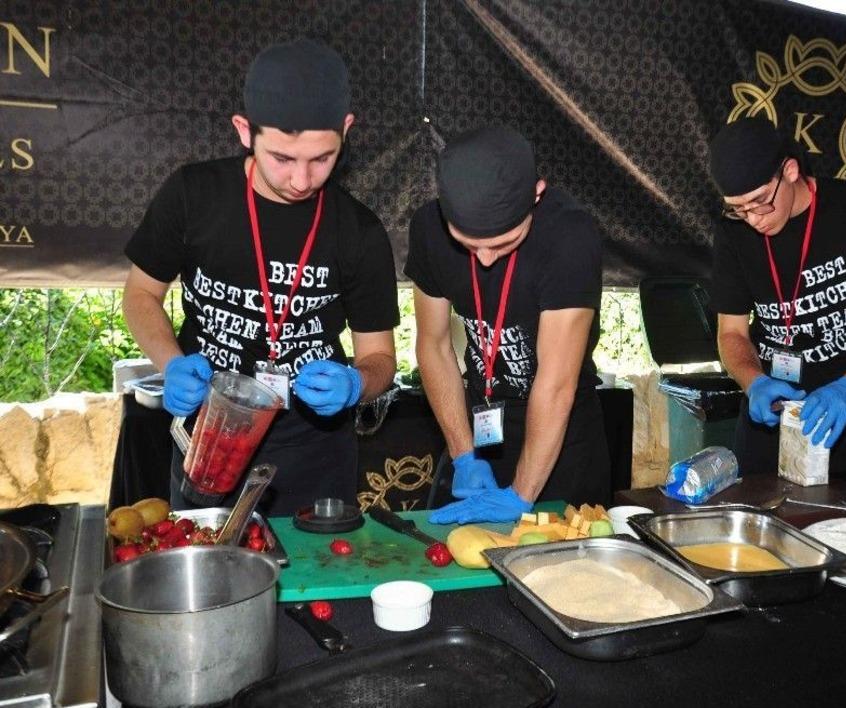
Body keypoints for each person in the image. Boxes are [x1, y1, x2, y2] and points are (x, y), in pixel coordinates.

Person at [122, 38, 399, 515]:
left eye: (322, 158)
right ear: (244, 131)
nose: (301, 180)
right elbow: (140, 294)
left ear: (346, 130)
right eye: (283, 158)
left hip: (315, 443)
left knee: (315, 584)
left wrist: (356, 383)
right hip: (210, 430)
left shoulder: (359, 230)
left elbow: (380, 357)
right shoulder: (193, 195)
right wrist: (171, 364)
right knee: (211, 580)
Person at [405, 126, 610, 524]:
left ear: (536, 194)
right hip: (479, 427)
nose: (483, 260)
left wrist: (521, 495)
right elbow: (433, 345)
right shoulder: (429, 229)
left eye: (503, 243)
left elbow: (556, 383)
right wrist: (463, 454)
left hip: (562, 437)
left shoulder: (569, 236)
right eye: (467, 243)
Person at [707, 117, 846, 478]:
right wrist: (753, 382)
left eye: (759, 201)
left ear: (789, 170)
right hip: (772, 421)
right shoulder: (733, 233)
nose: (753, 219)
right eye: (738, 208)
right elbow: (731, 334)